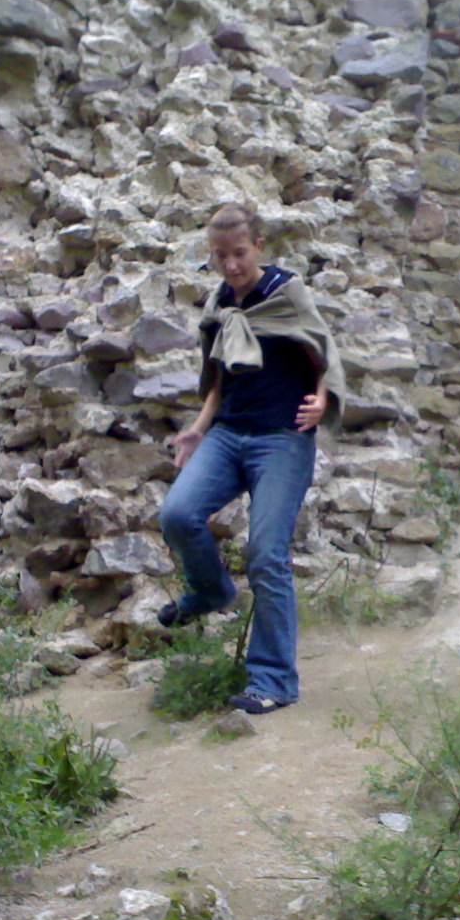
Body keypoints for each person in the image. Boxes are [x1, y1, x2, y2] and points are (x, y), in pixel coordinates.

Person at [157, 203, 348, 715]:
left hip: (282, 437)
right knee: (177, 514)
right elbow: (220, 378)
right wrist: (198, 430)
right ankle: (210, 592)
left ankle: (273, 680)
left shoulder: (286, 292)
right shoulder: (221, 302)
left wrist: (322, 397)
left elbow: (321, 349)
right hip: (228, 433)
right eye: (220, 255)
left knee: (266, 553)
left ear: (259, 246)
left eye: (239, 253)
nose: (231, 264)